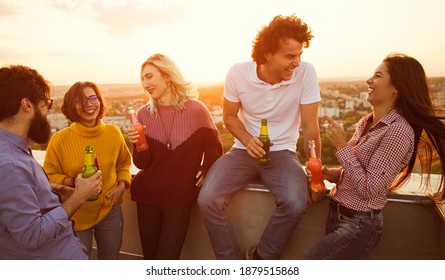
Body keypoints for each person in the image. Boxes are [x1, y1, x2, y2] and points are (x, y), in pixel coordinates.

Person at [197, 14, 322, 260]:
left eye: (299, 55)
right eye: (289, 56)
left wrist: (315, 173)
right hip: (242, 151)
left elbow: (310, 125)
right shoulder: (237, 73)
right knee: (208, 199)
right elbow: (229, 117)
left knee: (295, 202)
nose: (296, 62)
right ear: (267, 54)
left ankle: (261, 260)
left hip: (283, 153)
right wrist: (246, 139)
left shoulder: (305, 73)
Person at [304, 53, 445, 260]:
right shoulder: (366, 122)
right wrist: (331, 174)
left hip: (358, 225)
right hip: (338, 214)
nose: (369, 80)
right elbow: (357, 170)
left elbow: (369, 188)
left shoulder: (398, 132)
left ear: (397, 87)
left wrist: (342, 146)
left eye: (378, 76)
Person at [0, 65, 102, 259]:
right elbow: (32, 236)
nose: (47, 110)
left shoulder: (12, 151)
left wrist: (49, 191)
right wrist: (79, 196)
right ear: (27, 105)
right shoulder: (10, 164)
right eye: (46, 103)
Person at [128, 53, 223, 260]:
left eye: (150, 76)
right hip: (146, 197)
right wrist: (138, 143)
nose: (145, 83)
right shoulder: (143, 114)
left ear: (167, 76)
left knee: (166, 262)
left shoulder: (197, 110)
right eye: (143, 78)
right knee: (150, 261)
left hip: (179, 198)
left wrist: (206, 169)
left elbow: (215, 148)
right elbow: (141, 163)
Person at [43, 81, 132, 259]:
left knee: (110, 260)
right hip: (77, 212)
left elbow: (124, 162)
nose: (89, 104)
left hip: (109, 209)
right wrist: (74, 182)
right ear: (70, 105)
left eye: (93, 98)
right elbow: (49, 175)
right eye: (80, 100)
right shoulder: (60, 139)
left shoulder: (113, 133)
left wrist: (122, 185)